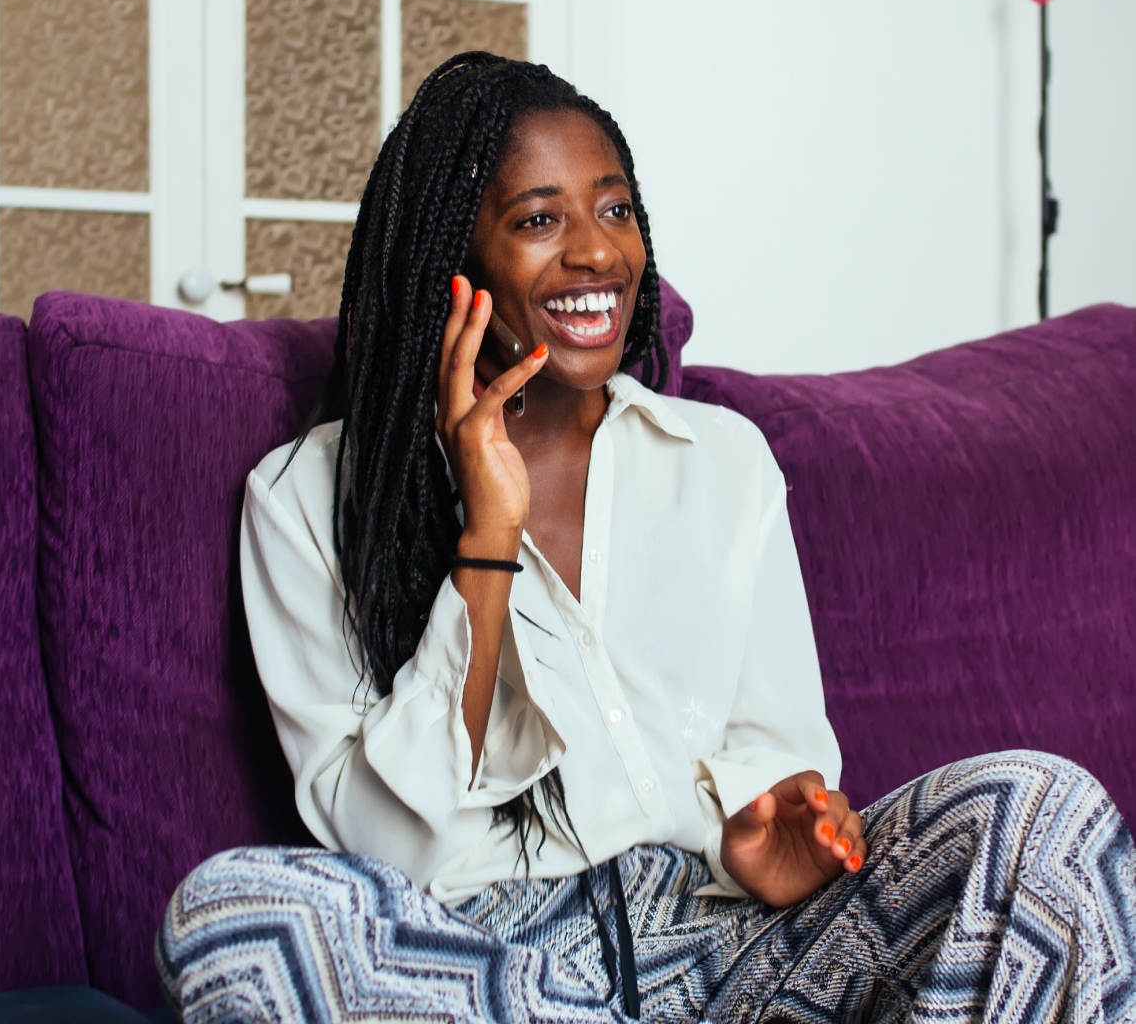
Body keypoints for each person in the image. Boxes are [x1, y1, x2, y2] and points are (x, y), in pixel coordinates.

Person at [156, 53, 1135, 1023]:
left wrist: (767, 837)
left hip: (732, 944)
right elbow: (387, 845)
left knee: (1039, 806)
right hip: (489, 966)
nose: (597, 253)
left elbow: (779, 752)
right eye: (539, 219)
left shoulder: (720, 461)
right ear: (449, 258)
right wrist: (487, 538)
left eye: (615, 209)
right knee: (239, 913)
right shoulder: (303, 499)